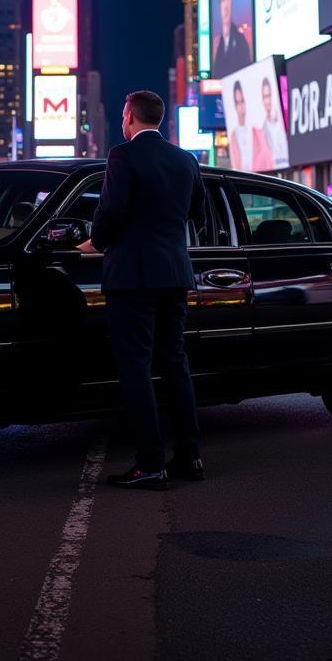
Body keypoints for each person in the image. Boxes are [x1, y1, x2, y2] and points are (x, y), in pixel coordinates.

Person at [84, 90, 208, 491]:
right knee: (175, 361)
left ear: (129, 116)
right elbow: (198, 213)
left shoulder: (122, 155)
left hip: (132, 276)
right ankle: (191, 456)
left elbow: (111, 210)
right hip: (175, 272)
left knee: (136, 366)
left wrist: (96, 242)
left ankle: (150, 464)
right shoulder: (186, 159)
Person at [211, 0, 252, 78]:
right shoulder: (215, 49)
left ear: (232, 0)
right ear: (219, 3)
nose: (225, 5)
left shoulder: (242, 41)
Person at [227, 81, 271, 172]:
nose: (241, 107)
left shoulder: (258, 133)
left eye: (242, 101)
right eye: (237, 102)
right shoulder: (234, 137)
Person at [259, 76, 288, 169]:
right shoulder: (261, 132)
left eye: (269, 96)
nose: (267, 101)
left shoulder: (286, 122)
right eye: (264, 97)